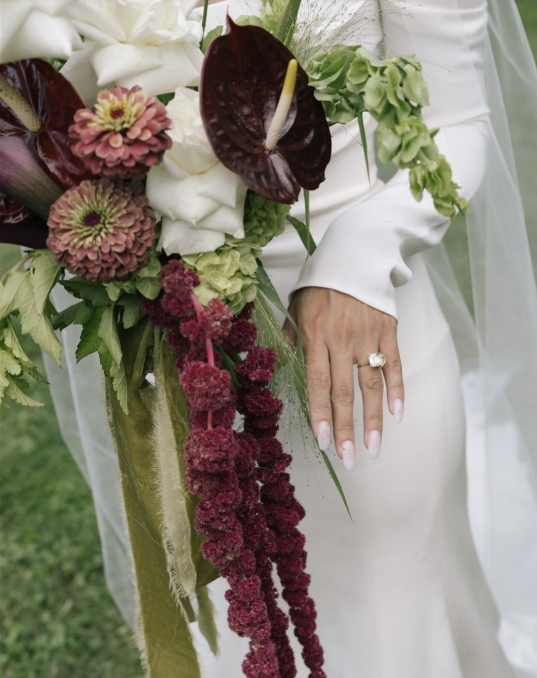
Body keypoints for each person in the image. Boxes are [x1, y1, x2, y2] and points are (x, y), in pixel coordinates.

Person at [46, 0, 537, 676]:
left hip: (358, 346)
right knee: (236, 602)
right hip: (189, 351)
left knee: (394, 607)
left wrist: (360, 251)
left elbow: (459, 124)